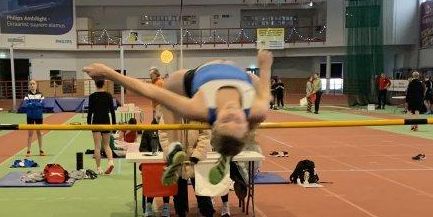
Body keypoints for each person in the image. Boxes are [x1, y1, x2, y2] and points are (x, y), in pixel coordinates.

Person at [83, 49, 272, 169]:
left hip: (195, 78)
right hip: (240, 77)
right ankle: (177, 147)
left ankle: (174, 145)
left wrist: (109, 73)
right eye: (237, 119)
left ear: (214, 124)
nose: (231, 112)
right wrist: (265, 66)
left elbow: (150, 91)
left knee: (167, 87)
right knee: (256, 83)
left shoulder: (199, 108)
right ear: (246, 125)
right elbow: (265, 88)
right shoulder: (257, 110)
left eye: (225, 120)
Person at [86, 76, 117, 174]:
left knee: (97, 146)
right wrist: (114, 125)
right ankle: (110, 162)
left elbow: (90, 111)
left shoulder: (92, 96)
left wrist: (88, 123)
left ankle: (99, 168)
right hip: (106, 121)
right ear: (104, 84)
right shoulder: (108, 95)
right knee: (107, 145)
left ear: (95, 84)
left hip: (96, 121)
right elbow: (112, 111)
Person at [23, 79, 46, 156]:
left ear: (36, 85)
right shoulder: (27, 95)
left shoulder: (41, 94)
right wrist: (37, 104)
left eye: (33, 84)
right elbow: (26, 105)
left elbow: (42, 104)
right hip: (30, 117)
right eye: (31, 84)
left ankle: (41, 150)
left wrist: (32, 104)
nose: (32, 85)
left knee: (39, 133)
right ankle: (28, 151)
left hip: (39, 117)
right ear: (29, 86)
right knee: (30, 134)